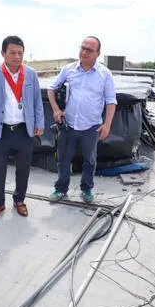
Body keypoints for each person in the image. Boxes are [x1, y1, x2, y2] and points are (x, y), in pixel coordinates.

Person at [0, 36, 45, 221]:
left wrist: (39, 123)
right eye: (12, 52)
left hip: (24, 129)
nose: (17, 57)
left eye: (20, 53)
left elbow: (37, 101)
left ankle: (19, 200)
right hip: (2, 130)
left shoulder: (30, 73)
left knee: (23, 168)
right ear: (3, 53)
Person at [47, 36, 117, 203]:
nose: (84, 52)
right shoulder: (69, 70)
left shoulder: (105, 74)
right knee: (63, 159)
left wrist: (107, 124)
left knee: (90, 161)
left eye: (89, 50)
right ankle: (60, 189)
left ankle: (86, 190)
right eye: (82, 48)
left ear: (98, 53)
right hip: (68, 125)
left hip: (91, 127)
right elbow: (51, 89)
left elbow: (111, 101)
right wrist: (57, 110)